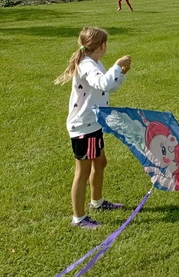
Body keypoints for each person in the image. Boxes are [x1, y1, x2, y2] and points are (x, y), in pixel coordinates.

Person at [55, 27, 132, 229]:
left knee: (100, 162)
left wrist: (121, 73)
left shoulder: (95, 62)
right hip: (84, 127)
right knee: (83, 171)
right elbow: (103, 83)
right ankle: (79, 218)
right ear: (101, 46)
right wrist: (117, 65)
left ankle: (97, 202)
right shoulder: (87, 65)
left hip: (93, 124)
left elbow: (109, 86)